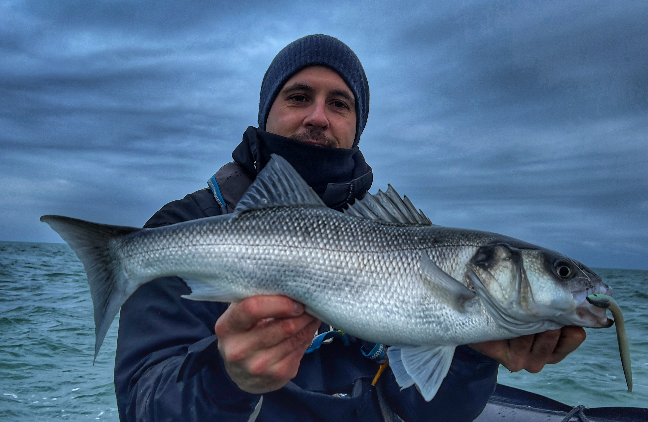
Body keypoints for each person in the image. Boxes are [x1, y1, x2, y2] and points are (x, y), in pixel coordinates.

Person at [113, 34, 586, 422]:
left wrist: (471, 353)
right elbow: (142, 406)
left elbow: (425, 413)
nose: (318, 116)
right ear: (266, 112)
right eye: (299, 96)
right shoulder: (180, 230)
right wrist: (224, 375)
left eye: (339, 104)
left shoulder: (393, 236)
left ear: (356, 126)